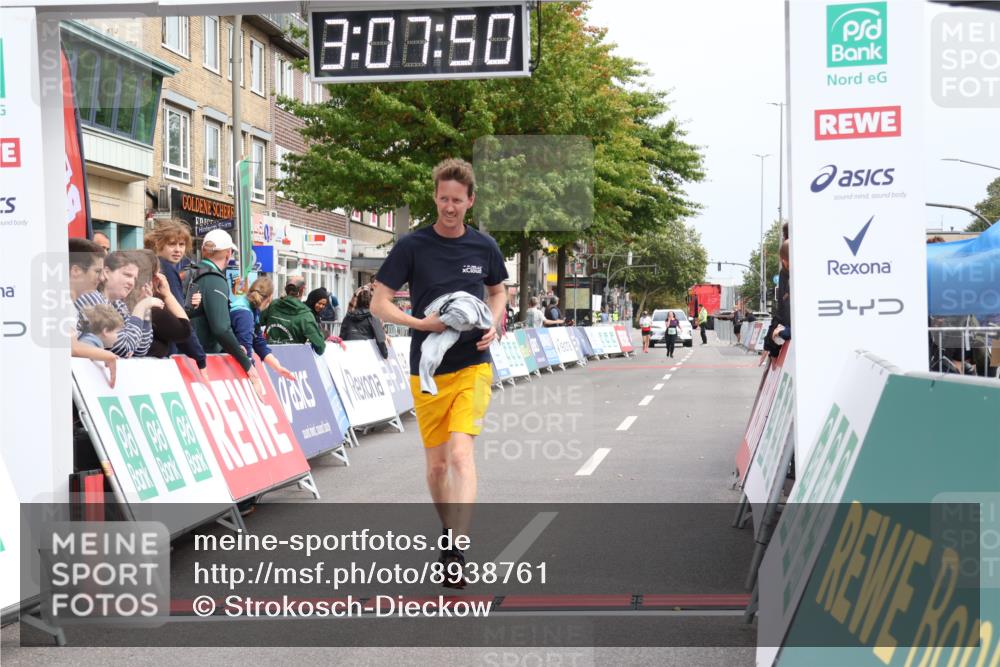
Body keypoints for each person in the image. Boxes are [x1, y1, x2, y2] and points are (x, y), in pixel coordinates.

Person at [371, 157, 507, 587]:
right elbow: (380, 302)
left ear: (471, 201)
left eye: (457, 200)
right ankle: (447, 530)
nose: (449, 207)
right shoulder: (412, 246)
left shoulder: (484, 246)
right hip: (427, 368)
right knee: (436, 468)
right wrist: (419, 324)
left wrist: (494, 324)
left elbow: (499, 289)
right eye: (443, 198)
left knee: (461, 454)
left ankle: (456, 548)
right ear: (435, 197)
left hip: (472, 365)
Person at [189, 229, 265, 396]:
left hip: (183, 354)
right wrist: (246, 364)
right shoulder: (214, 278)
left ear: (203, 251)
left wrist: (233, 346)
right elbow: (221, 328)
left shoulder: (191, 271)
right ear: (229, 253)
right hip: (201, 360)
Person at [144, 220, 206, 370]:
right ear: (158, 244)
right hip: (159, 353)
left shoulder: (150, 264)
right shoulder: (165, 268)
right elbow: (179, 322)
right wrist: (200, 358)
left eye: (182, 244)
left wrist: (189, 307)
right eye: (172, 244)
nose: (178, 250)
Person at [75, 250, 156, 359]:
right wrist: (140, 307)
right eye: (127, 275)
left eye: (134, 278)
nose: (131, 282)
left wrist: (146, 312)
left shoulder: (118, 304)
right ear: (107, 272)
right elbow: (124, 347)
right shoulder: (90, 296)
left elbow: (140, 350)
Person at [230, 276, 296, 381]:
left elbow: (258, 341)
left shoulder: (252, 309)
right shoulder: (244, 313)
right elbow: (245, 349)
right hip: (231, 367)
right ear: (270, 298)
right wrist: (254, 379)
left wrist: (277, 367)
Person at [260, 277, 327, 355]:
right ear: (302, 290)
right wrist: (322, 334)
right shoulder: (305, 315)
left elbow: (257, 322)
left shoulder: (273, 305)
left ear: (286, 289)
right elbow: (320, 347)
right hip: (293, 360)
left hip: (269, 358)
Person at [340, 286, 389, 359]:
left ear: (358, 301)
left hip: (349, 352)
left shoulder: (348, 316)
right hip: (366, 352)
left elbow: (341, 336)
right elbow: (380, 339)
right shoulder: (373, 316)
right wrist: (385, 354)